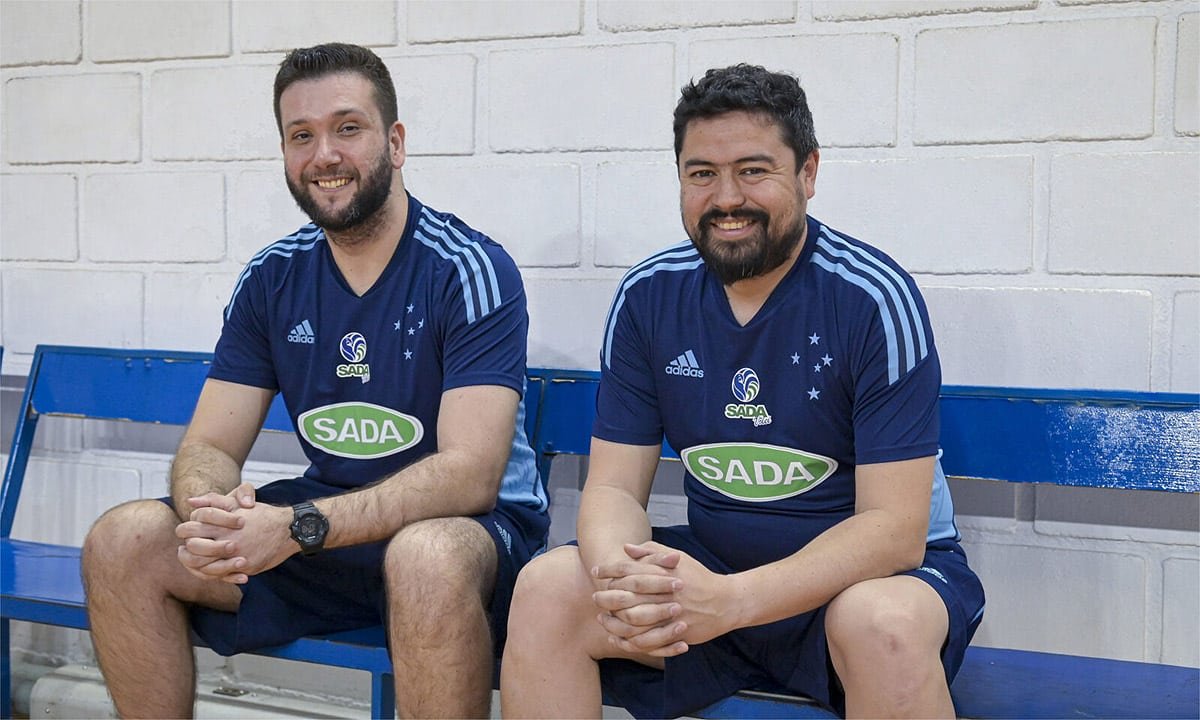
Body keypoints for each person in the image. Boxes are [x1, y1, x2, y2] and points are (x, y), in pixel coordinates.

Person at [500, 64, 985, 720]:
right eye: (702, 173)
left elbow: (894, 532)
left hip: (861, 586)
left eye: (754, 170)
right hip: (714, 575)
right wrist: (622, 576)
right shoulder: (648, 298)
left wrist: (730, 602)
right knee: (547, 591)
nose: (726, 197)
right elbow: (613, 490)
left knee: (884, 625)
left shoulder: (872, 298)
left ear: (808, 174)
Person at [81, 42, 548, 719]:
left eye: (347, 128)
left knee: (425, 559)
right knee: (122, 541)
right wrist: (209, 511)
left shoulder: (467, 268)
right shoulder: (273, 277)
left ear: (395, 142)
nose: (324, 154)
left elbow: (470, 475)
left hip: (466, 537)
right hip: (325, 527)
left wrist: (295, 526)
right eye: (302, 135)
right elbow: (210, 445)